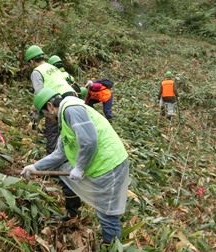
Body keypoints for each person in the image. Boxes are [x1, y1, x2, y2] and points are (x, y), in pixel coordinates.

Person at [21, 87, 130, 245]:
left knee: (107, 214)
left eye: (44, 115)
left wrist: (79, 167)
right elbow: (60, 153)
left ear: (50, 106)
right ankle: (111, 242)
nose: (47, 119)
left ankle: (112, 246)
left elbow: (89, 140)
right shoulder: (65, 119)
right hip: (101, 166)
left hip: (109, 164)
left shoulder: (71, 109)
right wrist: (35, 167)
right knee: (104, 212)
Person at [25, 45, 80, 220]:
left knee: (54, 138)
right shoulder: (52, 66)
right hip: (72, 99)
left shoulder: (36, 71)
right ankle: (66, 168)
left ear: (32, 61)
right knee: (68, 138)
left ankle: (54, 172)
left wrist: (36, 112)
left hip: (56, 103)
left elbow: (40, 95)